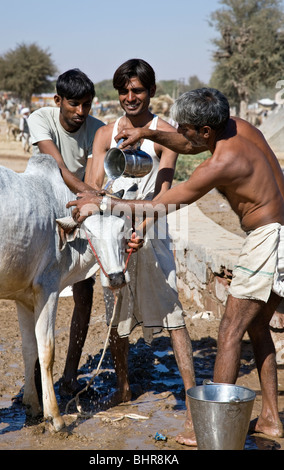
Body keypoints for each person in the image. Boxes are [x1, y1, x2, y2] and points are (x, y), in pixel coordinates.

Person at [69, 87, 284, 439]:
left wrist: (103, 203)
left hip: (267, 239)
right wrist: (147, 132)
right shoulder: (238, 127)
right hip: (281, 230)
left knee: (230, 331)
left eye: (185, 128)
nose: (180, 135)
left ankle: (211, 430)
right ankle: (271, 419)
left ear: (205, 132)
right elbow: (187, 143)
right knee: (257, 327)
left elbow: (163, 204)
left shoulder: (220, 164)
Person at [85, 58, 196, 447]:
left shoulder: (163, 132)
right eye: (125, 91)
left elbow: (164, 194)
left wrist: (142, 231)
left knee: (172, 312)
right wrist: (98, 217)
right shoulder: (104, 135)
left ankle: (190, 397)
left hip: (152, 232)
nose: (130, 98)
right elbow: (93, 187)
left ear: (150, 92)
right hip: (114, 234)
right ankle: (123, 386)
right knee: (115, 312)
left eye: (138, 90)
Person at [28, 69, 106, 398]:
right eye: (73, 104)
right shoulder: (40, 118)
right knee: (35, 291)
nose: (80, 112)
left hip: (80, 208)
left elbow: (95, 171)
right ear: (58, 100)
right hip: (43, 207)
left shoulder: (98, 129)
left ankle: (71, 374)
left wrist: (90, 201)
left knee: (84, 289)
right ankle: (33, 381)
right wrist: (98, 198)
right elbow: (57, 166)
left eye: (87, 105)